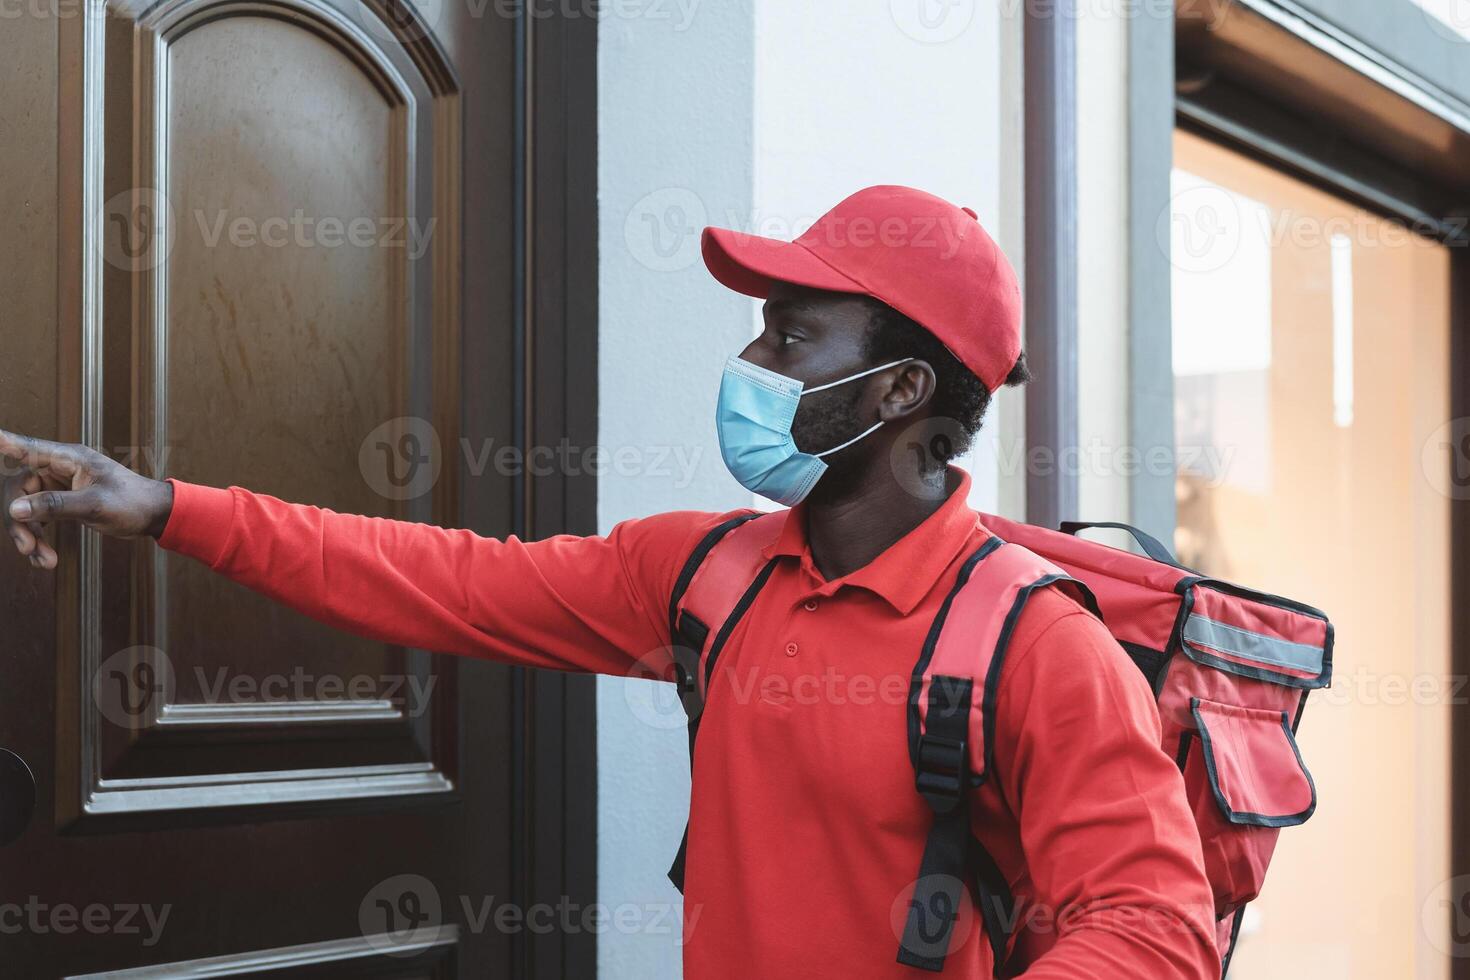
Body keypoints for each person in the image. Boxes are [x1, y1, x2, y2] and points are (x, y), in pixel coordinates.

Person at [2, 185, 1219, 977]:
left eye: (791, 336)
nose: (750, 358)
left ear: (899, 392)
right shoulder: (707, 570)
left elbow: (1150, 927)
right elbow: (440, 579)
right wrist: (165, 506)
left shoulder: (1034, 642)